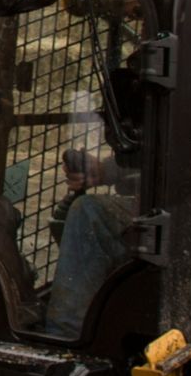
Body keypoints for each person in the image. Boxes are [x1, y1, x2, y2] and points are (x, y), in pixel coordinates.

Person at [39, 145, 133, 338]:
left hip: (181, 204)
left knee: (88, 211)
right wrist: (102, 170)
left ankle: (66, 334)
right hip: (158, 197)